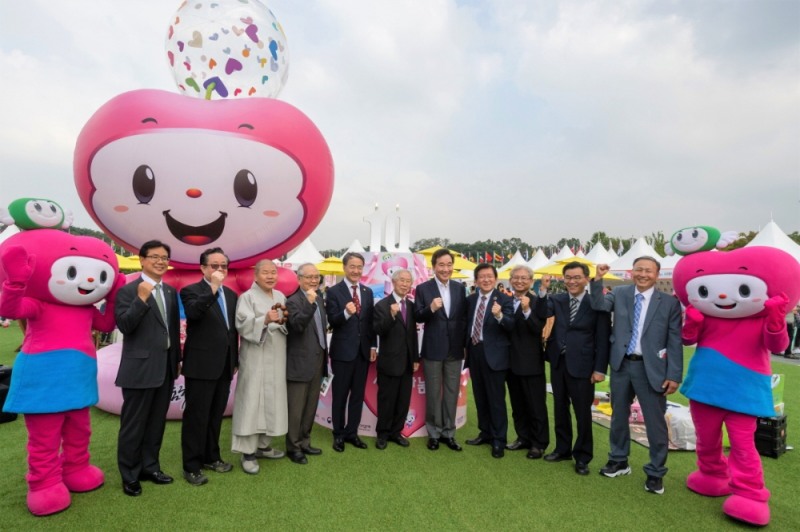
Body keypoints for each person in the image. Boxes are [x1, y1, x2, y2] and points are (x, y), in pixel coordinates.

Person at [590, 257, 683, 495]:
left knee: (655, 422)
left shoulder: (669, 303)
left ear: (657, 274)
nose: (643, 274)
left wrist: (674, 374)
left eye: (648, 271)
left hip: (652, 369)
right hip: (621, 365)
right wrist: (597, 279)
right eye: (639, 269)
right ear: (632, 272)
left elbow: (674, 340)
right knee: (619, 415)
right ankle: (619, 460)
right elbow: (598, 304)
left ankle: (655, 472)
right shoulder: (620, 293)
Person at [114, 240, 181, 497]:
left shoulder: (170, 292)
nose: (161, 261)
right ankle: (129, 475)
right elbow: (125, 326)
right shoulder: (129, 291)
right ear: (142, 260)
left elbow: (172, 330)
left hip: (165, 368)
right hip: (139, 369)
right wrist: (141, 299)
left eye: (165, 257)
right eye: (155, 257)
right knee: (134, 425)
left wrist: (177, 359)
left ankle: (150, 467)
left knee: (156, 423)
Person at [535, 262, 610, 475]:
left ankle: (583, 456)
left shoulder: (596, 303)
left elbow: (602, 339)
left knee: (582, 413)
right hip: (559, 363)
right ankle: (562, 449)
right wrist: (542, 290)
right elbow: (541, 313)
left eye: (577, 277)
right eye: (568, 277)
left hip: (584, 367)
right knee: (560, 408)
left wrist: (599, 369)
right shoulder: (556, 300)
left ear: (586, 279)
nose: (572, 281)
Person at [179, 247, 239, 485]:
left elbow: (231, 331)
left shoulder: (232, 295)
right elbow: (194, 314)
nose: (219, 270)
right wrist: (213, 287)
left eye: (223, 265)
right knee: (196, 416)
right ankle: (191, 465)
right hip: (201, 364)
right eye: (214, 265)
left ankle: (211, 457)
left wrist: (234, 360)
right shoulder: (191, 291)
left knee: (215, 415)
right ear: (203, 268)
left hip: (225, 364)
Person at [232, 260, 288, 475]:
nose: (270, 276)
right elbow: (242, 325)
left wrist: (282, 322)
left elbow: (284, 320)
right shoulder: (246, 297)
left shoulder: (280, 296)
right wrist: (264, 319)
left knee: (272, 398)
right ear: (256, 276)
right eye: (265, 272)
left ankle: (264, 445)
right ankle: (247, 452)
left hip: (276, 354)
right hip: (255, 355)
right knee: (251, 400)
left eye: (273, 272)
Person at [414, 248, 467, 452]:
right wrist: (431, 309)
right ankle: (434, 433)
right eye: (441, 265)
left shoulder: (459, 288)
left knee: (452, 392)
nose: (446, 269)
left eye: (449, 265)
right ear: (434, 267)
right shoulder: (423, 289)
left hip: (454, 349)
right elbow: (418, 316)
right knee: (434, 393)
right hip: (433, 349)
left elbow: (462, 319)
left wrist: (463, 345)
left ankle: (449, 433)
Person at [325, 252, 376, 452]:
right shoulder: (334, 291)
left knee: (357, 395)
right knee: (340, 395)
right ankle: (338, 434)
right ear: (345, 268)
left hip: (363, 353)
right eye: (352, 266)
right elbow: (332, 321)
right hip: (342, 353)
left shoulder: (367, 291)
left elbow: (370, 323)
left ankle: (352, 432)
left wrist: (373, 346)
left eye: (359, 267)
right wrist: (346, 312)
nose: (356, 270)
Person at [465, 263, 514, 458]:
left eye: (489, 276)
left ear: (496, 278)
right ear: (476, 281)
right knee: (480, 396)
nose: (486, 280)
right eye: (481, 277)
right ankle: (484, 433)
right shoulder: (470, 300)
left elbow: (511, 326)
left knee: (496, 399)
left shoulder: (504, 300)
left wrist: (499, 315)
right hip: (475, 352)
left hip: (495, 356)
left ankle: (498, 439)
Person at [505, 265, 549, 459]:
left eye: (524, 278)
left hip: (531, 363)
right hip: (510, 362)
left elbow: (537, 328)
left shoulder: (537, 301)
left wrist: (526, 311)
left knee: (536, 405)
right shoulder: (506, 301)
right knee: (518, 405)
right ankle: (522, 437)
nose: (519, 281)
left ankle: (538, 443)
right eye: (516, 277)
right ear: (510, 280)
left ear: (531, 281)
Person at [285, 264, 328, 465]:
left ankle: (305, 441)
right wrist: (309, 303)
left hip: (318, 358)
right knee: (296, 408)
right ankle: (293, 447)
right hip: (299, 362)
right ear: (299, 278)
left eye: (316, 277)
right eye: (309, 277)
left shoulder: (319, 299)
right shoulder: (293, 301)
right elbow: (297, 325)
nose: (313, 281)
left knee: (311, 405)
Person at [373, 268, 420, 450]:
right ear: (393, 282)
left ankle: (396, 432)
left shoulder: (411, 305)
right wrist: (391, 316)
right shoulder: (382, 305)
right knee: (386, 400)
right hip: (389, 362)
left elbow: (413, 335)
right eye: (402, 280)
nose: (405, 284)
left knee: (403, 400)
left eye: (408, 281)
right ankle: (382, 434)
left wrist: (415, 358)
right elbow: (378, 330)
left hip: (407, 363)